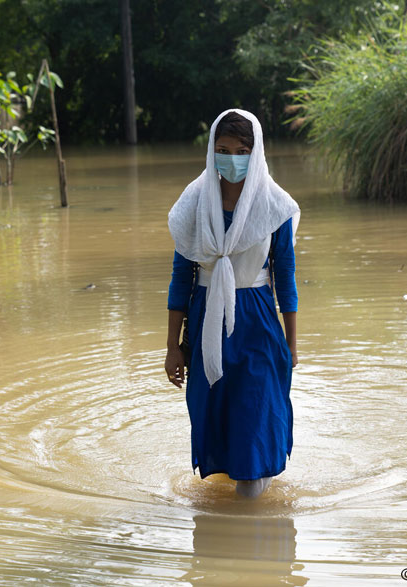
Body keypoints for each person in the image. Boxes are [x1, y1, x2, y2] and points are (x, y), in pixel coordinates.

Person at [165, 109, 300, 499]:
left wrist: (292, 344)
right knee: (219, 420)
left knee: (257, 421)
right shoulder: (193, 204)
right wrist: (173, 346)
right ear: (211, 151)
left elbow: (285, 280)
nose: (233, 159)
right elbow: (181, 278)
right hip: (206, 318)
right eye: (223, 150)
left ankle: (250, 518)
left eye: (242, 151)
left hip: (257, 323)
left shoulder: (274, 206)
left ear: (255, 153)